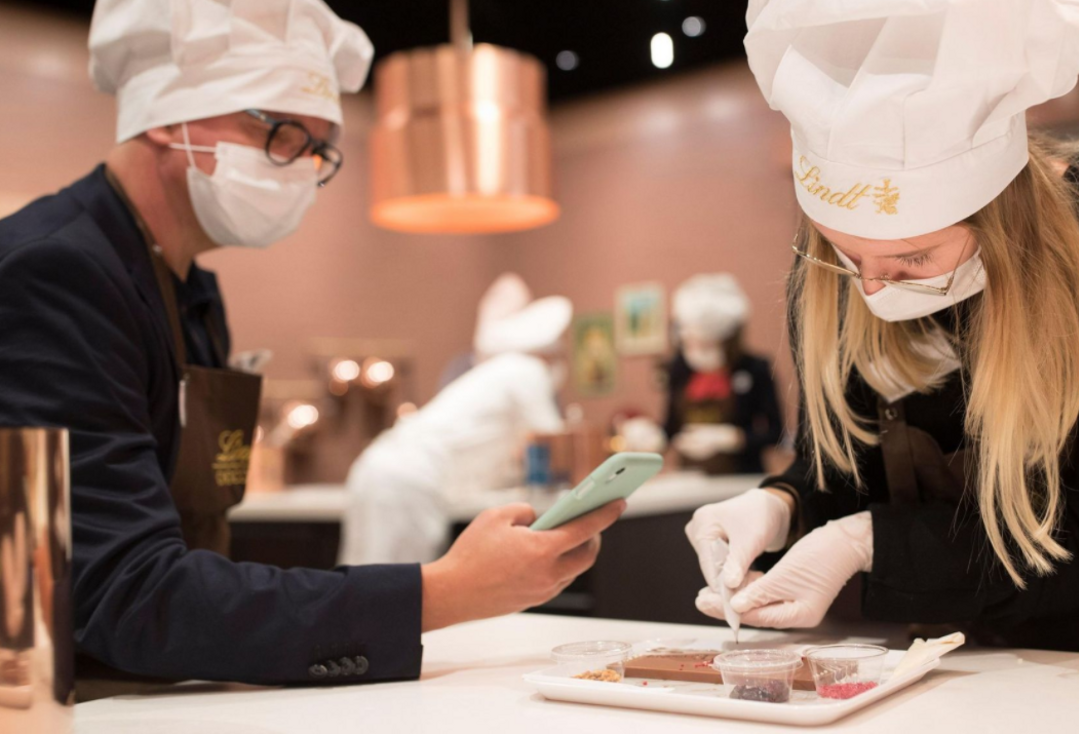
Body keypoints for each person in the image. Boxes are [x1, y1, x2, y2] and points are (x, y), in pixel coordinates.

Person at [0, 0, 622, 690]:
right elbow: (124, 590)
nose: (301, 169)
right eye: (284, 134)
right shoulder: (54, 274)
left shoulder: (191, 294)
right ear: (167, 115)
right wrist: (443, 591)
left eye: (319, 152)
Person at [688, 0, 1079, 659]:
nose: (872, 289)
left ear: (997, 213)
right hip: (951, 651)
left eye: (914, 261)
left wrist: (866, 543)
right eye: (845, 254)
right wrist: (782, 504)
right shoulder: (836, 272)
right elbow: (842, 471)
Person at [342, 274, 573, 564]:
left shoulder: (491, 374)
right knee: (398, 584)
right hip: (410, 482)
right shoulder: (526, 371)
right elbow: (554, 440)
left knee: (361, 578)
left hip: (375, 468)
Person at [664, 274, 784, 474]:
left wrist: (733, 438)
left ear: (728, 340)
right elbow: (670, 429)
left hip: (742, 476)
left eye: (706, 344)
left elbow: (776, 433)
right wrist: (650, 436)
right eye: (690, 343)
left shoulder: (755, 369)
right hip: (691, 477)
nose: (696, 351)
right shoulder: (679, 368)